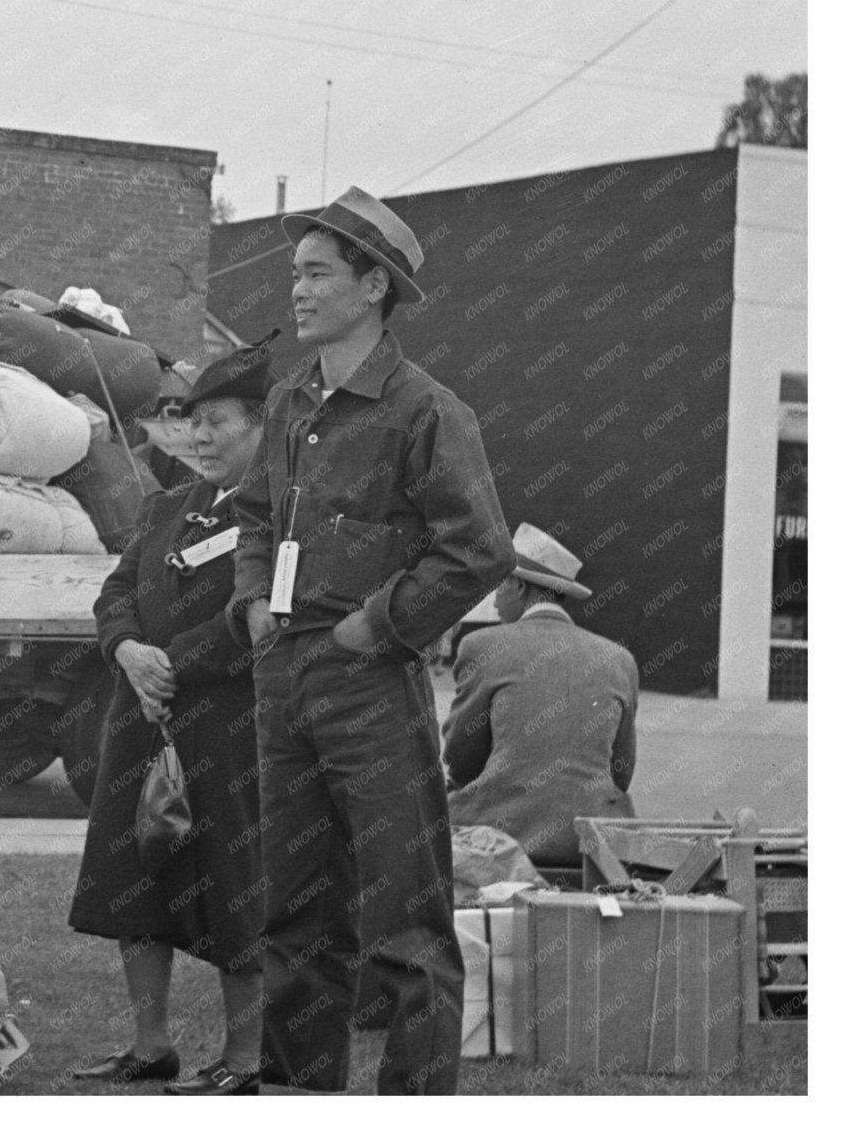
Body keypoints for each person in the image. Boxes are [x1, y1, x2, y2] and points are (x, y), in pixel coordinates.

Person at [229, 187, 513, 1097]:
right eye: (296, 275)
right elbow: (251, 519)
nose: (298, 292)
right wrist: (250, 599)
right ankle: (296, 1092)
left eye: (316, 274)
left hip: (368, 683)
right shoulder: (286, 404)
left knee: (405, 917)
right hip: (286, 680)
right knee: (295, 909)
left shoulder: (426, 412)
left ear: (373, 287)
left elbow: (478, 551)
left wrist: (377, 622)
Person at [67, 337, 278, 1094]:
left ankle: (246, 1060)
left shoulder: (284, 517)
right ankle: (150, 1045)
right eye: (192, 422)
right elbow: (114, 593)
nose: (200, 437)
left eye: (218, 422)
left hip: (226, 727)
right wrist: (127, 651)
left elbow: (256, 618)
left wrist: (172, 664)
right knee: (135, 881)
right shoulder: (167, 505)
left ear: (261, 426)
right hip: (140, 716)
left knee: (234, 885)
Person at [443, 522, 640, 862]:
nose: (495, 600)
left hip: (502, 840)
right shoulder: (619, 659)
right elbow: (620, 773)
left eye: (499, 586)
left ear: (518, 587)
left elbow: (461, 762)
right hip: (594, 843)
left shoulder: (482, 646)